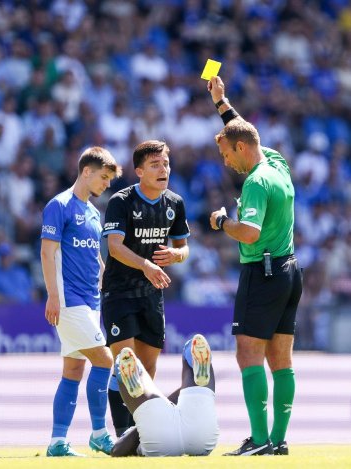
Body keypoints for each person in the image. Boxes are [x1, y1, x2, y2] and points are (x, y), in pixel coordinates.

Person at [206, 76, 303, 456]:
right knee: (281, 359)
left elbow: (247, 232)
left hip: (262, 272)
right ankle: (278, 441)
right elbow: (245, 130)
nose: (227, 162)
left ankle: (259, 440)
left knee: (249, 355)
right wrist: (221, 103)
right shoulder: (276, 162)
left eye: (228, 155)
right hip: (290, 271)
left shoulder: (255, 183)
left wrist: (220, 222)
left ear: (242, 148)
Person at [101, 139, 190, 437]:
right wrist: (147, 266)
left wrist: (176, 255)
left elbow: (183, 247)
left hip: (152, 295)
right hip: (120, 293)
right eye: (155, 165)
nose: (163, 169)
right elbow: (114, 248)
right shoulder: (121, 202)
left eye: (165, 163)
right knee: (126, 364)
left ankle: (141, 428)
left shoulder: (175, 203)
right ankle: (122, 434)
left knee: (148, 367)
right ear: (139, 171)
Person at [40, 146, 122, 457]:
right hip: (69, 301)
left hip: (91, 301)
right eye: (103, 177)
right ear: (86, 172)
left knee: (73, 369)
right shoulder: (58, 205)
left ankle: (57, 442)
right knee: (104, 360)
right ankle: (100, 433)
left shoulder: (92, 213)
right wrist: (52, 295)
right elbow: (47, 253)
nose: (106, 184)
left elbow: (94, 258)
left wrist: (106, 281)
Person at [109, 333, 219, 457]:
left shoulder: (140, 429)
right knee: (191, 345)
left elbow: (116, 451)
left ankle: (135, 375)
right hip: (201, 435)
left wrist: (137, 428)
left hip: (159, 439)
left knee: (122, 360)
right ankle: (195, 366)